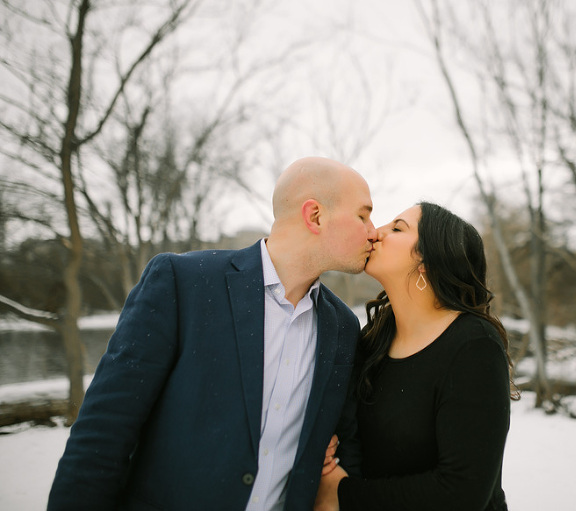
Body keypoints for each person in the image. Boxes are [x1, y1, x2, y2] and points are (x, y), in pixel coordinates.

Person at [48, 157, 378, 511]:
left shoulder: (342, 326)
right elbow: (102, 434)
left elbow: (346, 448)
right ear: (315, 216)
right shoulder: (183, 283)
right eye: (362, 215)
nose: (373, 230)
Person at [315, 202, 516, 511]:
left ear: (428, 261)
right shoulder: (373, 340)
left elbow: (462, 493)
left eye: (397, 228)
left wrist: (342, 496)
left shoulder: (474, 345)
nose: (376, 232)